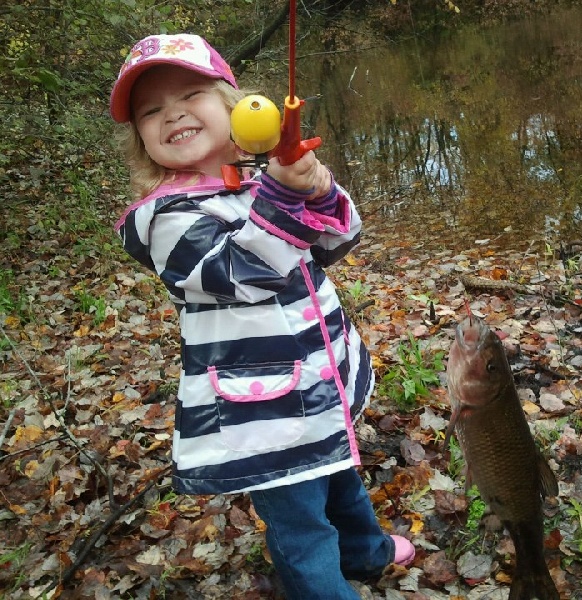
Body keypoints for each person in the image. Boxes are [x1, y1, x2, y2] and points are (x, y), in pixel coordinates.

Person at [109, 33, 414, 599]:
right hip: (264, 408)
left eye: (191, 95)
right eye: (150, 111)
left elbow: (335, 242)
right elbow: (244, 271)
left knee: (341, 473)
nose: (171, 112)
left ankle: (366, 553)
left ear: (233, 107)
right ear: (143, 142)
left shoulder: (255, 180)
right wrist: (282, 194)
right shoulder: (162, 219)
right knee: (301, 527)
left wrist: (316, 188)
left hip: (319, 374)